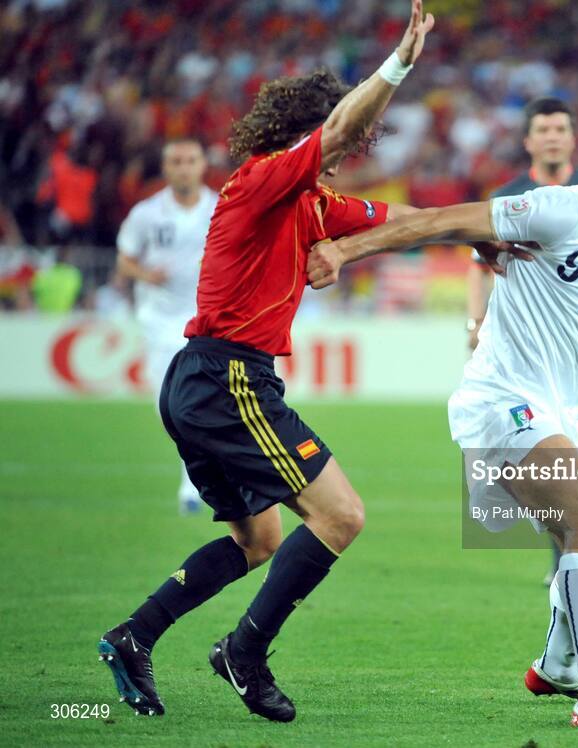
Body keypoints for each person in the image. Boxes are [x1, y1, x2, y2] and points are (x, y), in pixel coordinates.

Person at [309, 125, 578, 729]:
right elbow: (443, 221)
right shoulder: (568, 211)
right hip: (501, 401)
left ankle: (559, 665)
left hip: (565, 415)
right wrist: (345, 251)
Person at [97, 0, 434, 722]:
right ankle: (242, 654)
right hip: (229, 379)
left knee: (260, 539)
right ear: (307, 130)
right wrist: (399, 63)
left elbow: (401, 222)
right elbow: (341, 126)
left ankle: (135, 635)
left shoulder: (309, 202)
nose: (353, 147)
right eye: (344, 136)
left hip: (202, 380)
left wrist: (488, 234)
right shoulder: (261, 180)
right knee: (340, 515)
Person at [467, 97, 578, 585]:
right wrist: (475, 324)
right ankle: (571, 560)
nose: (552, 136)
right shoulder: (510, 194)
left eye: (560, 128)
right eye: (543, 129)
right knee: (559, 464)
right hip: (528, 359)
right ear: (529, 141)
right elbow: (478, 266)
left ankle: (574, 555)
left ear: (573, 137)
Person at [116, 137, 218, 514]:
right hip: (159, 320)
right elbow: (124, 260)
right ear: (166, 168)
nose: (184, 167)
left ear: (203, 164)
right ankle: (194, 474)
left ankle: (194, 484)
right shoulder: (147, 214)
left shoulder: (220, 208)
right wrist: (145, 273)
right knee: (170, 408)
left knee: (210, 401)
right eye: (176, 161)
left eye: (191, 160)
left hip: (207, 319)